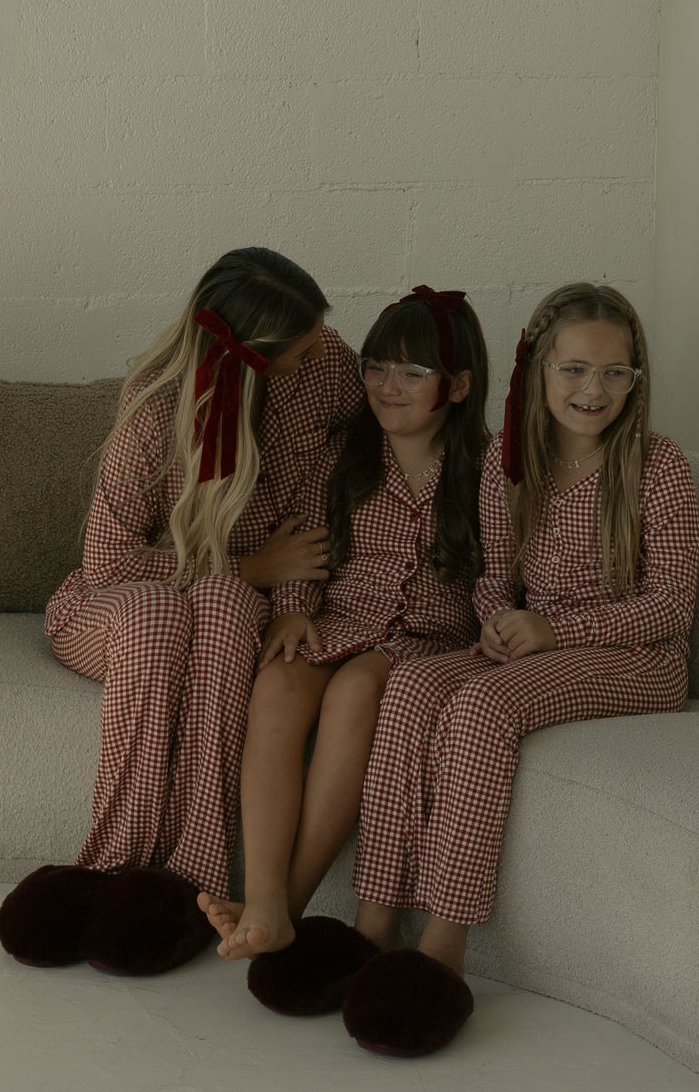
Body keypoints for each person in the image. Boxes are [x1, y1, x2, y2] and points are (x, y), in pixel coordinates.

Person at [256, 281, 699, 1056]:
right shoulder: (507, 460)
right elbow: (496, 576)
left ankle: (443, 945)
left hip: (637, 656)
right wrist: (498, 620)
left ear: (636, 378)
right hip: (538, 641)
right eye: (573, 369)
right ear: (539, 369)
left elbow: (672, 605)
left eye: (614, 372)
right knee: (411, 685)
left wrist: (555, 629)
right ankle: (374, 921)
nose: (593, 389)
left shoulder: (658, 466)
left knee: (480, 708)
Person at [0, 246, 361, 977]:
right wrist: (250, 567)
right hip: (114, 608)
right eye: (302, 347)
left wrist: (289, 602)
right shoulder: (156, 409)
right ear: (255, 357)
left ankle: (191, 878)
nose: (322, 353)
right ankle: (108, 867)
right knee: (160, 615)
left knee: (224, 606)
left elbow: (315, 508)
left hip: (226, 604)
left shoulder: (326, 373)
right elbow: (109, 562)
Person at [197, 287, 490, 984]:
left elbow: (502, 569)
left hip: (425, 642)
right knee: (279, 678)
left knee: (357, 689)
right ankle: (265, 893)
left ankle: (286, 906)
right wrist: (294, 607)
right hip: (341, 619)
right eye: (376, 366)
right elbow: (304, 540)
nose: (388, 386)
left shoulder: (484, 470)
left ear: (458, 385)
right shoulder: (345, 458)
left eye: (412, 372)